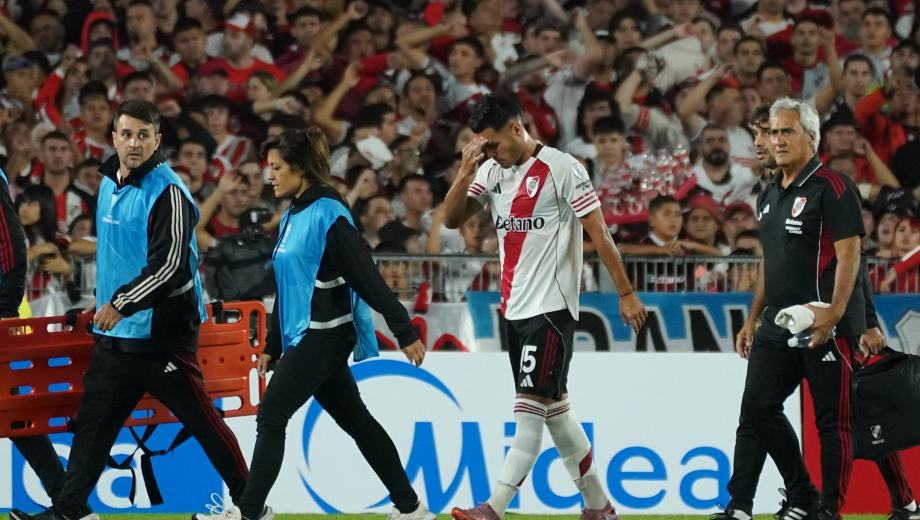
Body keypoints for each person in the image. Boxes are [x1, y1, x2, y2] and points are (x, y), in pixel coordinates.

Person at [9, 100, 258, 520]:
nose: (135, 143)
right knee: (93, 428)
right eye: (127, 134)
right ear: (114, 138)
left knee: (202, 422)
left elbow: (172, 266)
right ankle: (71, 512)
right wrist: (105, 303)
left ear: (157, 140)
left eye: (144, 135)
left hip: (162, 336)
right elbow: (118, 254)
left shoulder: (170, 192)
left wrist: (121, 302)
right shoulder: (108, 183)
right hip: (117, 336)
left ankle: (253, 506)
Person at [200, 128, 435, 520]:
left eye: (275, 167)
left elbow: (366, 276)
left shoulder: (329, 211)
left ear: (299, 169)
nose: (269, 176)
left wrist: (403, 329)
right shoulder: (294, 211)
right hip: (306, 336)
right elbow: (287, 285)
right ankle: (411, 509)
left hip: (324, 336)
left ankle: (249, 513)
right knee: (358, 422)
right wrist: (273, 346)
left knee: (272, 415)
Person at [443, 94, 646, 520]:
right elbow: (451, 218)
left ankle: (493, 508)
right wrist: (465, 171)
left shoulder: (563, 169)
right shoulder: (492, 171)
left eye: (493, 144)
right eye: (482, 147)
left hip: (550, 311)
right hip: (513, 311)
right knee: (557, 413)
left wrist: (625, 292)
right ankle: (599, 507)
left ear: (517, 129)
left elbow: (601, 235)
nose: (489, 153)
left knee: (529, 412)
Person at [726, 97, 880, 520]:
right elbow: (768, 260)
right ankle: (802, 493)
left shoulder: (833, 186)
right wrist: (753, 316)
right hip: (777, 323)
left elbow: (851, 256)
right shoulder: (769, 192)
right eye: (773, 132)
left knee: (832, 422)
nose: (776, 140)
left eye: (786, 131)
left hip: (821, 323)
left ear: (811, 138)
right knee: (757, 405)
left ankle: (828, 508)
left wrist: (835, 312)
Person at [2, 167, 93, 519]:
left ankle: (73, 508)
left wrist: (5, 315)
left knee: (14, 416)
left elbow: (10, 249)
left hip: (8, 318)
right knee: (14, 418)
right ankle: (74, 508)